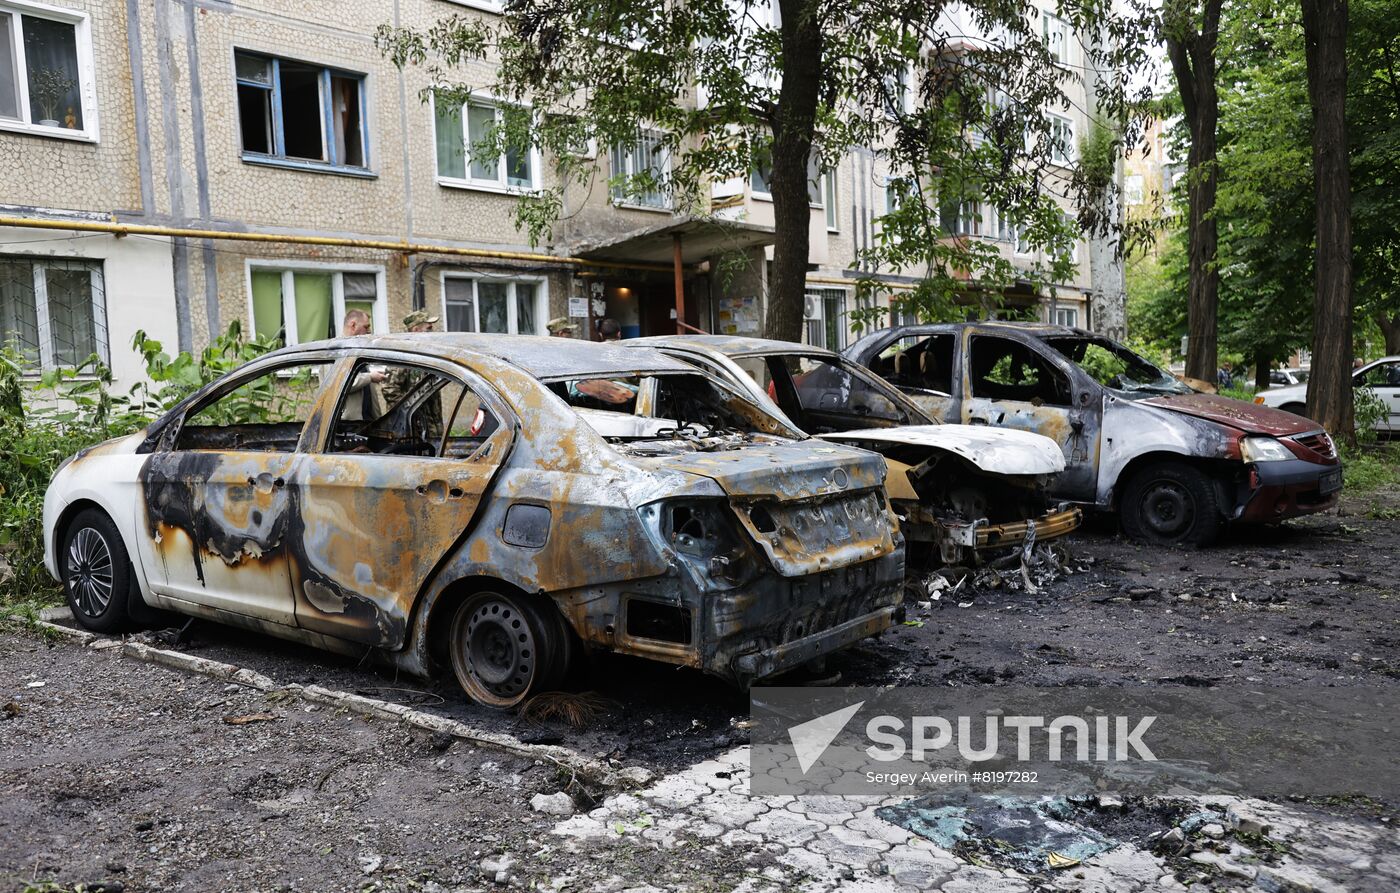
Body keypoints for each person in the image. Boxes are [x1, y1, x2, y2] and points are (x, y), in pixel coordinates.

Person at [383, 310, 444, 441]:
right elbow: (390, 390)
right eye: (429, 328)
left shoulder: (422, 354)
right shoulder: (403, 354)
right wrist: (412, 414)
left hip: (430, 429)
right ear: (416, 330)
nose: (432, 332)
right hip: (411, 433)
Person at [340, 310, 385, 421]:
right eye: (366, 326)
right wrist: (370, 377)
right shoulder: (337, 351)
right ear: (353, 325)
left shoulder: (356, 350)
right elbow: (342, 383)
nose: (369, 331)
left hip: (367, 423)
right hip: (347, 427)